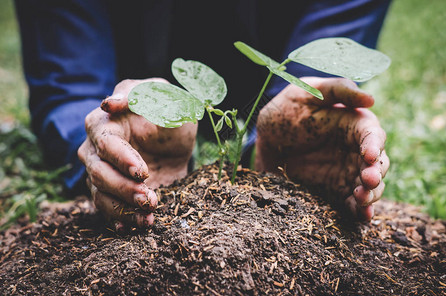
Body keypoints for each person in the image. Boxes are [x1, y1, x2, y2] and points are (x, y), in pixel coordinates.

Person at [15, 0, 391, 228]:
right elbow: (70, 88)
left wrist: (298, 136)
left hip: (270, 97)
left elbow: (313, 85)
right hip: (131, 99)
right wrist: (104, 142)